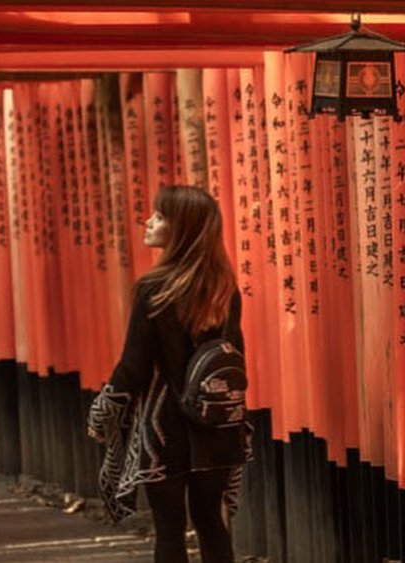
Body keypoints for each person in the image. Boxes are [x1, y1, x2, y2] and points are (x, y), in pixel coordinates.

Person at [87, 185, 249, 563]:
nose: (148, 221)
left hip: (164, 430)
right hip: (217, 427)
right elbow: (234, 357)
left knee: (170, 530)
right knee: (211, 522)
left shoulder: (153, 288)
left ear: (181, 229)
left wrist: (103, 412)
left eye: (160, 216)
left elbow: (134, 367)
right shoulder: (225, 288)